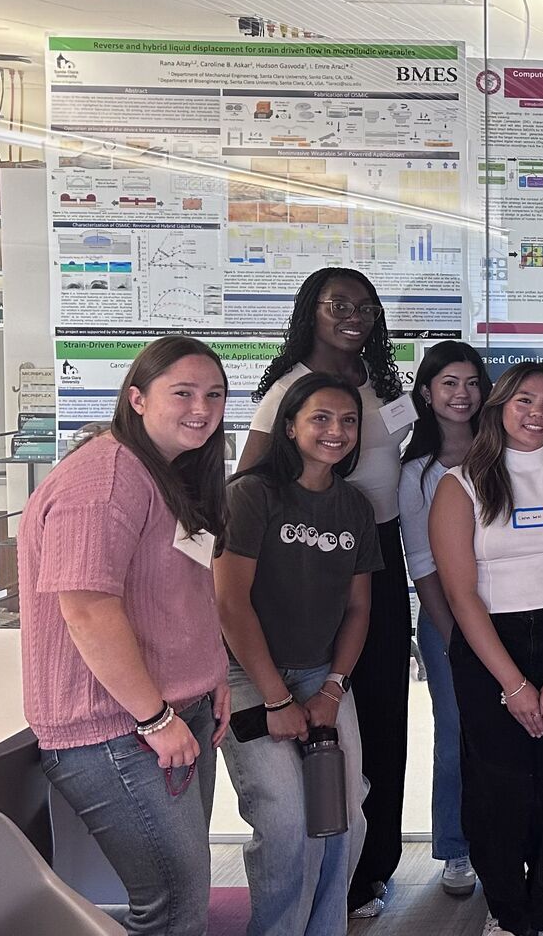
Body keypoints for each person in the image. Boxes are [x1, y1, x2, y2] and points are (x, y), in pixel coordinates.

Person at [19, 336, 231, 936]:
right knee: (172, 905)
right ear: (136, 399)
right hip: (119, 728)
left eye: (213, 395)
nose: (201, 408)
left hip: (167, 714)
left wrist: (210, 674)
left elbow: (181, 590)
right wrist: (155, 718)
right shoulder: (104, 479)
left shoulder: (165, 471)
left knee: (184, 898)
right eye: (182, 393)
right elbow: (87, 610)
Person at [241, 267, 413, 919]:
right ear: (308, 311)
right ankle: (314, 876)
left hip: (378, 556)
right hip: (312, 567)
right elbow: (250, 491)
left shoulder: (380, 383)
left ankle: (368, 871)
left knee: (381, 716)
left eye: (365, 305)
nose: (354, 314)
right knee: (325, 723)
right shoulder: (288, 389)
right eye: (337, 303)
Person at [430, 362, 543, 936]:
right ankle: (507, 908)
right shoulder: (459, 483)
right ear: (499, 408)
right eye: (525, 401)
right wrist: (513, 684)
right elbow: (460, 594)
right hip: (490, 646)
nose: (538, 413)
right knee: (498, 783)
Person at [216, 373, 378, 936]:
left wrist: (332, 689)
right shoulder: (251, 495)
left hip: (320, 676)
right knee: (286, 823)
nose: (336, 431)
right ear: (290, 426)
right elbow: (230, 603)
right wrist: (276, 696)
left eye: (348, 420)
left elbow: (359, 610)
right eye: (321, 418)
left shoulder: (355, 506)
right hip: (245, 676)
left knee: (344, 818)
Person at [398, 340, 493, 897]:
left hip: (510, 616)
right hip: (448, 624)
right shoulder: (418, 472)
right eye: (449, 384)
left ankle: (503, 840)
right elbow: (423, 564)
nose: (462, 395)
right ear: (427, 395)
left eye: (472, 383)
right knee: (457, 731)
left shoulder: (504, 456)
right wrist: (457, 635)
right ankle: (457, 848)